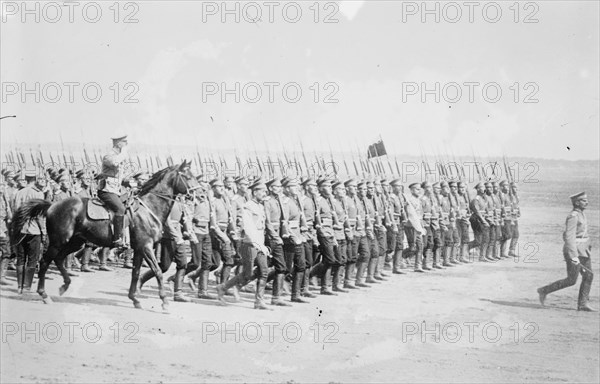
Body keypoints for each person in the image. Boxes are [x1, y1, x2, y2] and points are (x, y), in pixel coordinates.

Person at [216, 178, 272, 310]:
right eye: (262, 191)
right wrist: (258, 244)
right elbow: (249, 228)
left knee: (264, 271)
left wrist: (262, 245)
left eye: (265, 191)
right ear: (254, 192)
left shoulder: (260, 206)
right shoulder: (248, 207)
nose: (265, 193)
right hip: (249, 244)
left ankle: (259, 301)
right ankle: (223, 287)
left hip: (259, 244)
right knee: (247, 274)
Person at [537, 192, 595, 312]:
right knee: (571, 280)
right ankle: (544, 290)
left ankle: (582, 304)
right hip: (575, 252)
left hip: (583, 251)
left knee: (588, 275)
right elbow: (569, 237)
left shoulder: (581, 214)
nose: (587, 202)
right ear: (577, 203)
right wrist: (573, 256)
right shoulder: (573, 216)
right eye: (583, 200)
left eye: (586, 200)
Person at [12, 171, 46, 293]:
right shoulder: (38, 194)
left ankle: (19, 287)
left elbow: (14, 211)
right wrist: (44, 231)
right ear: (35, 179)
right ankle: (27, 287)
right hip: (34, 230)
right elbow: (39, 216)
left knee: (20, 258)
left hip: (20, 230)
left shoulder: (18, 193)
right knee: (32, 259)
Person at [97, 133, 129, 248]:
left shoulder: (119, 156)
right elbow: (114, 163)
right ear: (118, 143)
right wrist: (124, 152)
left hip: (116, 190)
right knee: (120, 208)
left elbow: (118, 177)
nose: (126, 144)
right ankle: (117, 238)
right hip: (106, 190)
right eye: (124, 142)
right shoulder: (109, 156)